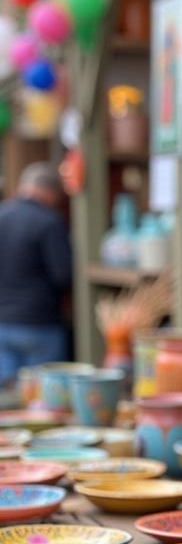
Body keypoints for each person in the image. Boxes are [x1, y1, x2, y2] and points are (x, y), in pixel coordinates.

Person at [0, 163, 72, 385]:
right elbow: (63, 275)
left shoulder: (2, 215)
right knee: (43, 399)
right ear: (50, 192)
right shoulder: (49, 222)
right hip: (40, 325)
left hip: (3, 323)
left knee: (7, 400)